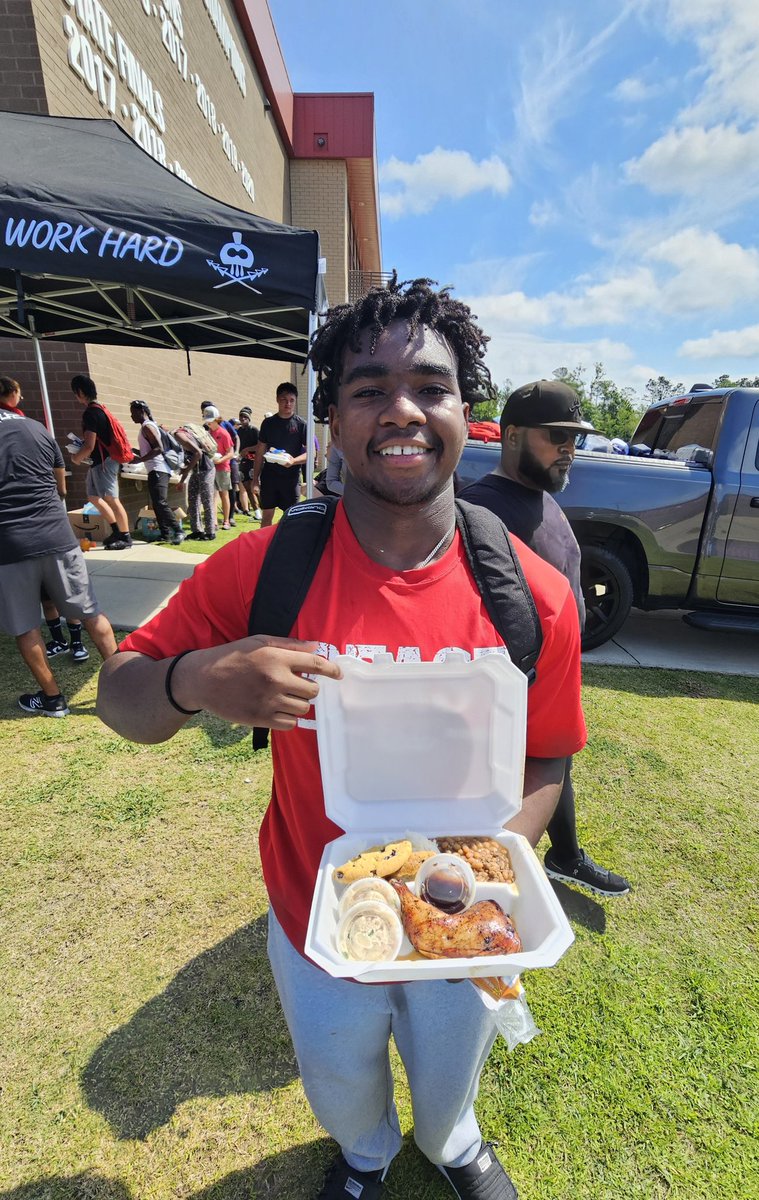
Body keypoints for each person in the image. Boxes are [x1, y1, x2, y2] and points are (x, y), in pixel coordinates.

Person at [98, 277, 586, 1200]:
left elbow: (550, 750)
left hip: (461, 923)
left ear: (465, 413)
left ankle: (451, 1145)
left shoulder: (533, 595)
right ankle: (364, 1154)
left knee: (450, 1075)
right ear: (331, 418)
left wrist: (486, 873)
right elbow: (120, 696)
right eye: (367, 389)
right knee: (336, 1067)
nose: (401, 409)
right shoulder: (262, 565)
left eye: (429, 387)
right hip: (310, 907)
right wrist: (195, 678)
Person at [459, 380, 631, 897]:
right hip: (512, 687)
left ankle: (565, 855)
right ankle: (474, 879)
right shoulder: (482, 511)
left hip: (550, 679)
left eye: (575, 438)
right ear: (511, 436)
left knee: (557, 758)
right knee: (514, 780)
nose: (568, 449)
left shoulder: (537, 496)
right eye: (556, 435)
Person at [0, 406, 116, 715]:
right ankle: (124, 686)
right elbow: (60, 484)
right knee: (91, 612)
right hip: (57, 532)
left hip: (9, 543)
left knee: (26, 627)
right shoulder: (36, 427)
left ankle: (53, 699)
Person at [69, 374, 132, 550]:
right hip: (99, 462)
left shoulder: (91, 413)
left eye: (75, 393)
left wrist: (76, 457)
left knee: (111, 498)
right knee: (93, 497)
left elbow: (89, 445)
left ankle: (125, 537)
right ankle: (116, 531)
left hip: (104, 462)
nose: (76, 397)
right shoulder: (100, 410)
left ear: (80, 392)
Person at [252, 382, 308, 526]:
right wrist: (255, 479)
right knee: (267, 516)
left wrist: (294, 461)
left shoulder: (301, 424)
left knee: (291, 518)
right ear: (277, 399)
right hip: (270, 477)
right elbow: (260, 452)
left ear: (295, 401)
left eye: (291, 400)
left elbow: (311, 454)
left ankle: (287, 547)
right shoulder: (268, 423)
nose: (288, 404)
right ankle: (264, 547)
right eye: (284, 400)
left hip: (291, 479)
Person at [129, 401, 184, 545]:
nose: (131, 416)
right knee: (157, 503)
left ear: (141, 411)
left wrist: (139, 459)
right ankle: (165, 534)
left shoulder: (147, 426)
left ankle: (178, 531)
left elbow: (158, 448)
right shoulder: (147, 426)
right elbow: (149, 449)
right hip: (155, 469)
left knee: (160, 502)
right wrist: (134, 451)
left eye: (133, 412)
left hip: (159, 469)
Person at [174, 423, 217, 541]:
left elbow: (198, 453)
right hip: (196, 470)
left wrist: (186, 470)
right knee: (192, 500)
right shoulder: (180, 437)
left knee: (206, 500)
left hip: (206, 469)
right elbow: (190, 458)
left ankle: (210, 532)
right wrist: (182, 481)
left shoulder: (178, 436)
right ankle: (197, 531)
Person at [201, 404, 235, 529]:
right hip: (212, 467)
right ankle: (214, 521)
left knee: (224, 494)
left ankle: (226, 521)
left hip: (223, 468)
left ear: (216, 419)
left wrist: (220, 460)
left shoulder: (224, 433)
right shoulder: (208, 433)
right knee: (213, 495)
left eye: (210, 421)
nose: (208, 424)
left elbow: (231, 453)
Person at [237, 407, 261, 519]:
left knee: (255, 487)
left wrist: (247, 449)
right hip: (243, 462)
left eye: (245, 416)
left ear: (249, 418)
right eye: (241, 416)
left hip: (254, 461)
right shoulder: (238, 431)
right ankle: (257, 512)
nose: (243, 418)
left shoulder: (254, 431)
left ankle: (264, 507)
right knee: (246, 487)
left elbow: (261, 446)